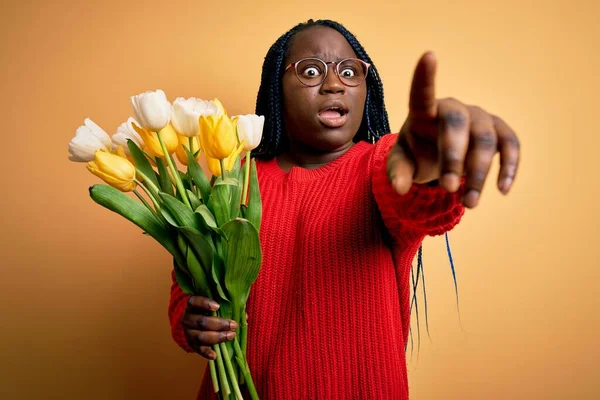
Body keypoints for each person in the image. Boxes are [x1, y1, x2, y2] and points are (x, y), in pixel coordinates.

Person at [168, 19, 520, 399]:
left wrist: (428, 161)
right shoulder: (232, 179)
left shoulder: (377, 165)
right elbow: (189, 284)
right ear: (276, 89)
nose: (334, 84)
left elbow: (414, 194)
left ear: (366, 90)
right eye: (311, 71)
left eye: (350, 72)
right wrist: (191, 318)